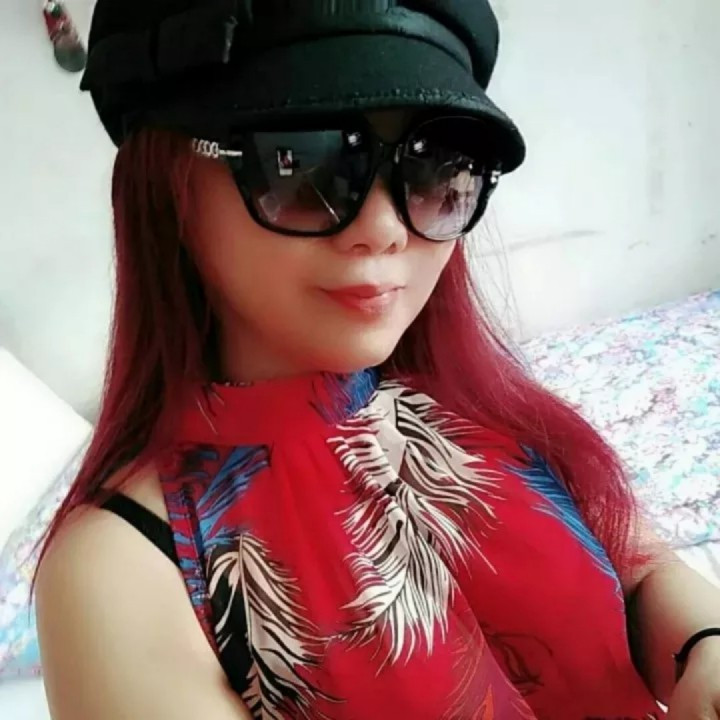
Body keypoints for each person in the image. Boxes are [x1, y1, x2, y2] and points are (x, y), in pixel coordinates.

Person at [34, 1, 720, 719]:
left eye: (437, 169)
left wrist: (703, 644)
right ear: (166, 186)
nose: (385, 227)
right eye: (301, 161)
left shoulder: (473, 395)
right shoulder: (121, 571)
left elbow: (638, 566)